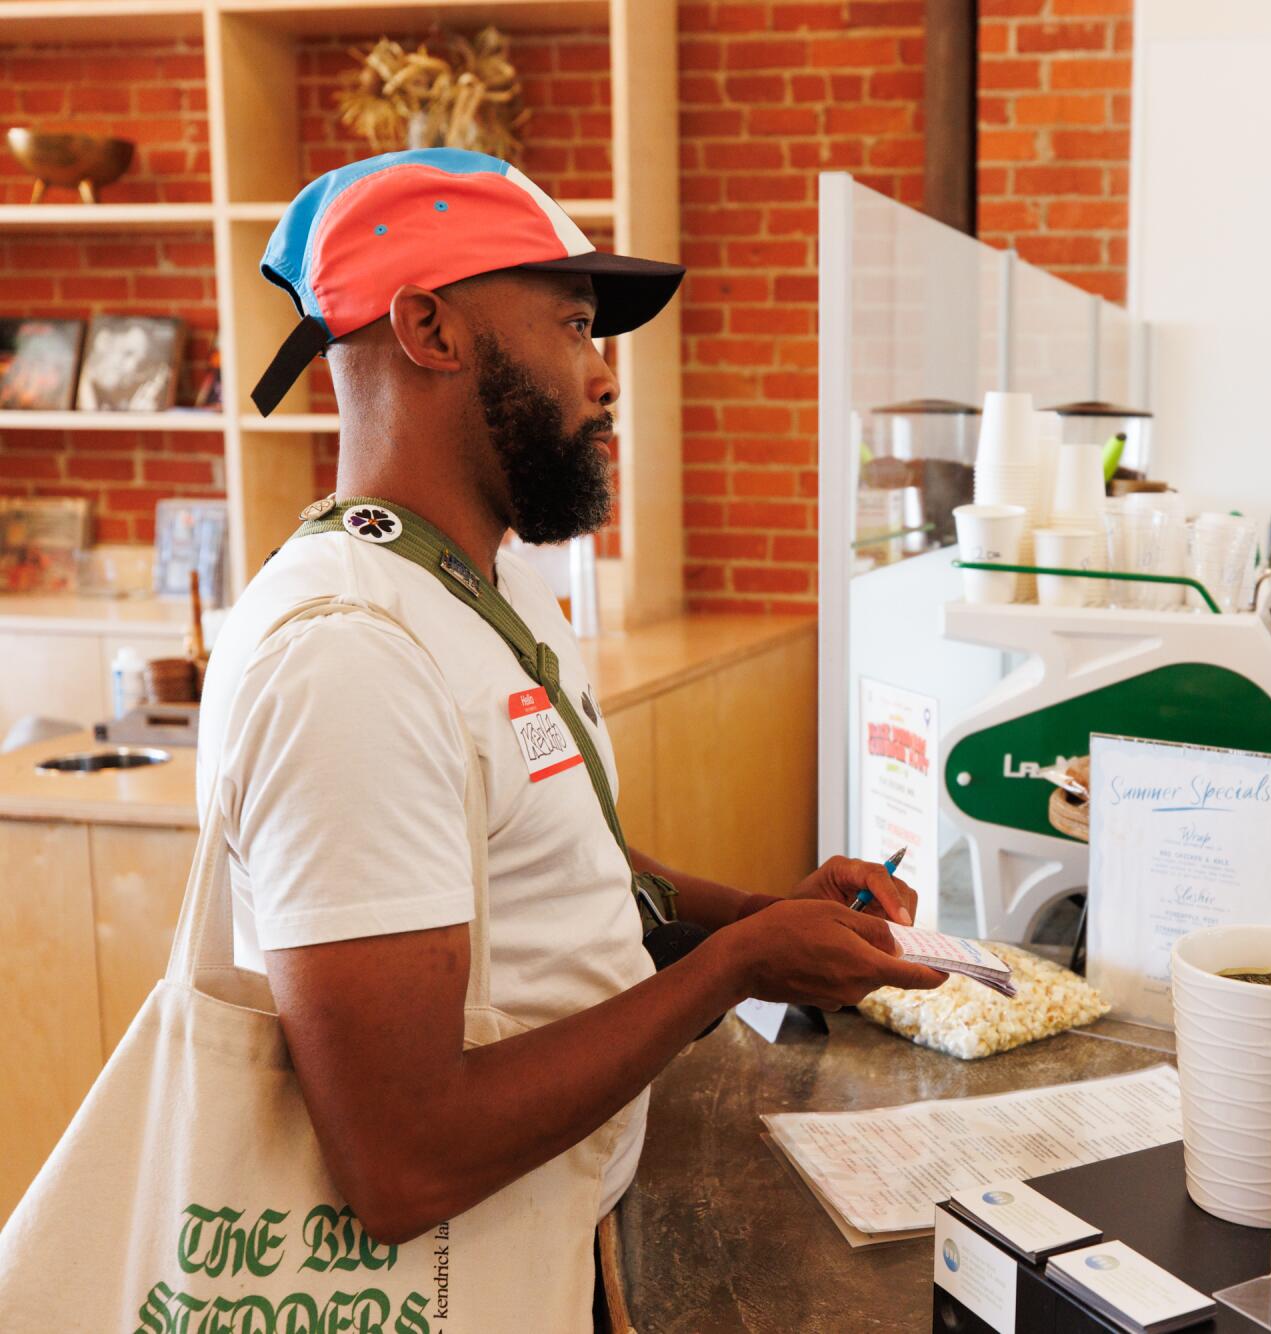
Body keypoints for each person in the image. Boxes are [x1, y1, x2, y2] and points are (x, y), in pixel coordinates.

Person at [198, 150, 946, 1325]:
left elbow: (550, 863)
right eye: (575, 325)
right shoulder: (343, 655)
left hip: (559, 1238)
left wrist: (763, 915)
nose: (604, 380)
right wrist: (735, 967)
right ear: (430, 328)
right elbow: (400, 1160)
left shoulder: (475, 588)